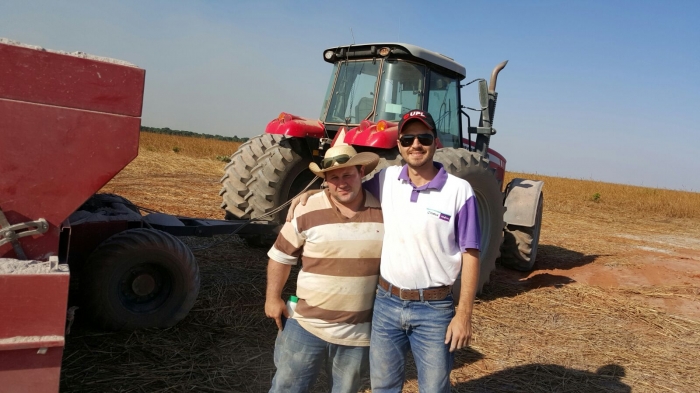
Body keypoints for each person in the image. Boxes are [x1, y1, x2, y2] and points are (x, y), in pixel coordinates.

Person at [288, 109, 481, 392]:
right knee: (384, 386)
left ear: (436, 142)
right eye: (408, 139)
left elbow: (471, 254)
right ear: (400, 144)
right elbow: (348, 190)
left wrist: (464, 315)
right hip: (386, 305)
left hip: (434, 310)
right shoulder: (387, 179)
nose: (416, 145)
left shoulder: (459, 191)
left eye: (424, 138)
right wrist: (316, 194)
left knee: (434, 388)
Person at [265, 144, 384, 393]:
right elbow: (280, 256)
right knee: (287, 388)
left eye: (347, 175)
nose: (341, 183)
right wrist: (272, 297)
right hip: (305, 325)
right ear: (325, 181)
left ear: (361, 172)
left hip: (358, 334)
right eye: (334, 177)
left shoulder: (384, 213)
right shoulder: (307, 208)